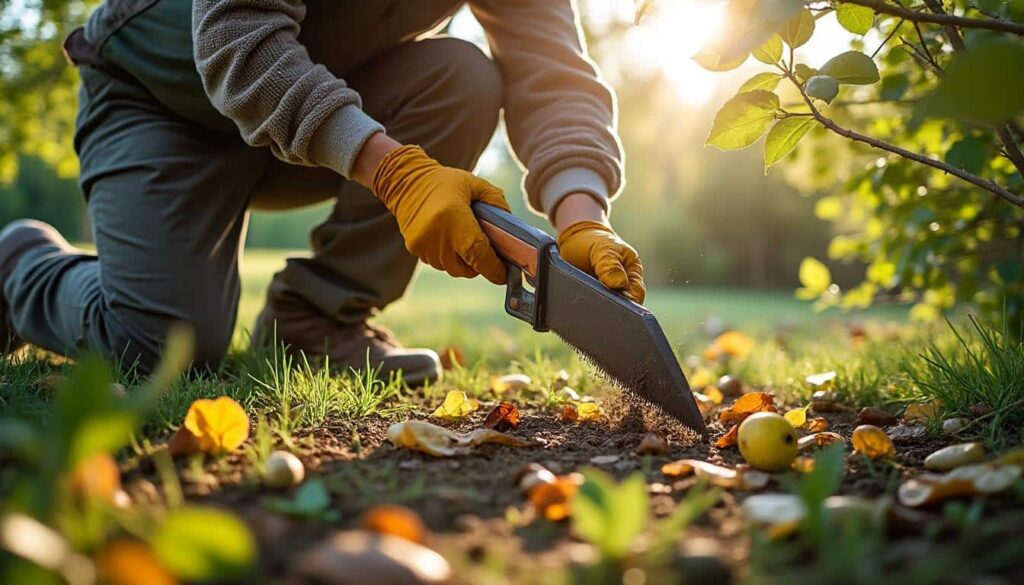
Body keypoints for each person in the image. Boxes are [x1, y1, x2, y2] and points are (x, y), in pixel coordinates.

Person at [0, 0, 645, 386]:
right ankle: (17, 265)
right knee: (160, 348)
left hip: (311, 120)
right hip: (160, 104)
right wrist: (395, 172)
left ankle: (313, 320)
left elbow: (552, 73)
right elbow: (238, 42)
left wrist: (582, 219)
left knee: (463, 78)